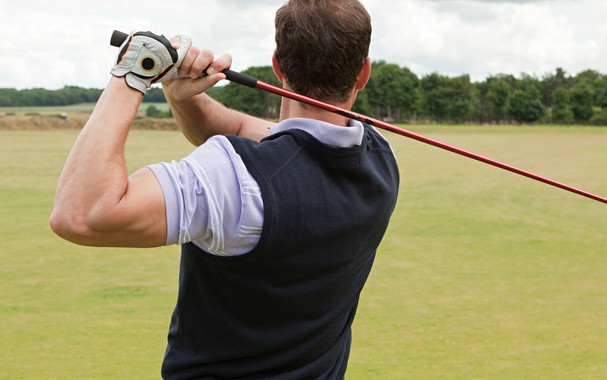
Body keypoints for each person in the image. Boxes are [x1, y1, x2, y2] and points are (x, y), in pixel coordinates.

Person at [50, 0, 399, 378]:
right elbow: (244, 132)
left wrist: (133, 73)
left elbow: (81, 214)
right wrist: (179, 90)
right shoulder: (382, 158)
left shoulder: (233, 175)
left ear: (278, 64)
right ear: (363, 72)